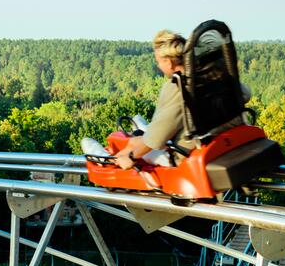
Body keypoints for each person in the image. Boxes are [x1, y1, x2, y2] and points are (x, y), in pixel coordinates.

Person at [82, 28, 249, 170]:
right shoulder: (211, 74)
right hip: (226, 140)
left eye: (158, 62)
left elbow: (156, 140)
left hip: (186, 155)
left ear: (168, 63)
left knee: (130, 144)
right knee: (139, 136)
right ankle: (142, 127)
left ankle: (104, 159)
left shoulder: (178, 86)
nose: (158, 66)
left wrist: (130, 156)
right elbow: (245, 94)